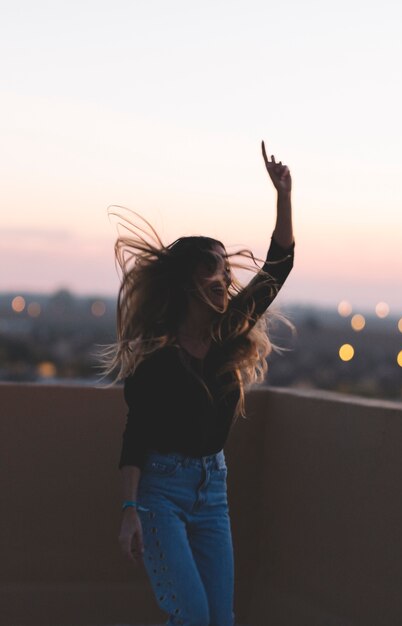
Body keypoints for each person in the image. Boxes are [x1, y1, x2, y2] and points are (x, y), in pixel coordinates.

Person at [109, 141, 295, 626]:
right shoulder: (158, 358)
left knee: (220, 618)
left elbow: (278, 268)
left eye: (224, 267)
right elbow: (137, 434)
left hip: (212, 486)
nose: (223, 276)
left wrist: (283, 197)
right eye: (210, 267)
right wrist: (130, 509)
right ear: (187, 282)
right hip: (161, 492)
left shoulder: (228, 331)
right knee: (192, 615)